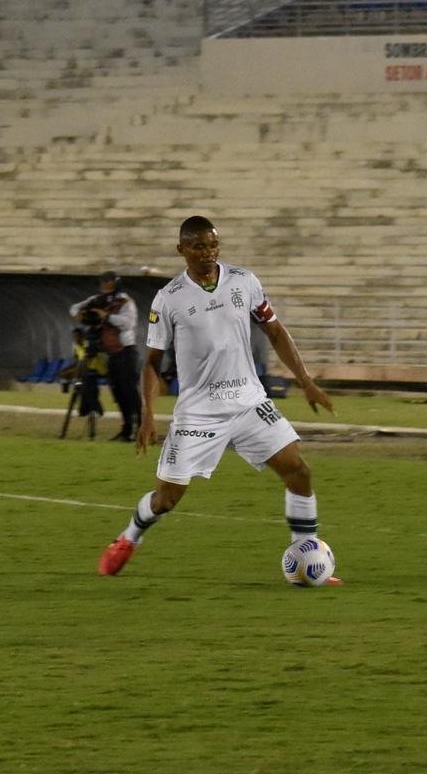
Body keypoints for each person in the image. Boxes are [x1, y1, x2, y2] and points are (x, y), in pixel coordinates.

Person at [97, 216, 341, 584]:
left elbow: (274, 330)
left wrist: (305, 381)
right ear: (182, 250)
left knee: (298, 471)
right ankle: (128, 537)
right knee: (167, 499)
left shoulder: (245, 281)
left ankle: (308, 558)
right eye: (198, 246)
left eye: (212, 245)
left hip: (247, 401)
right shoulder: (169, 299)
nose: (207, 253)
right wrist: (149, 415)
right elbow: (151, 363)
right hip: (199, 412)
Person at [68, 271, 141, 441]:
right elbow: (73, 309)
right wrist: (83, 314)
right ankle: (126, 428)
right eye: (102, 282)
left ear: (115, 283)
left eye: (106, 282)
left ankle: (141, 428)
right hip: (112, 354)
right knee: (118, 393)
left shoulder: (125, 301)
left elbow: (128, 323)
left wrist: (106, 316)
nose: (103, 285)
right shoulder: (97, 299)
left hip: (126, 352)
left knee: (129, 392)